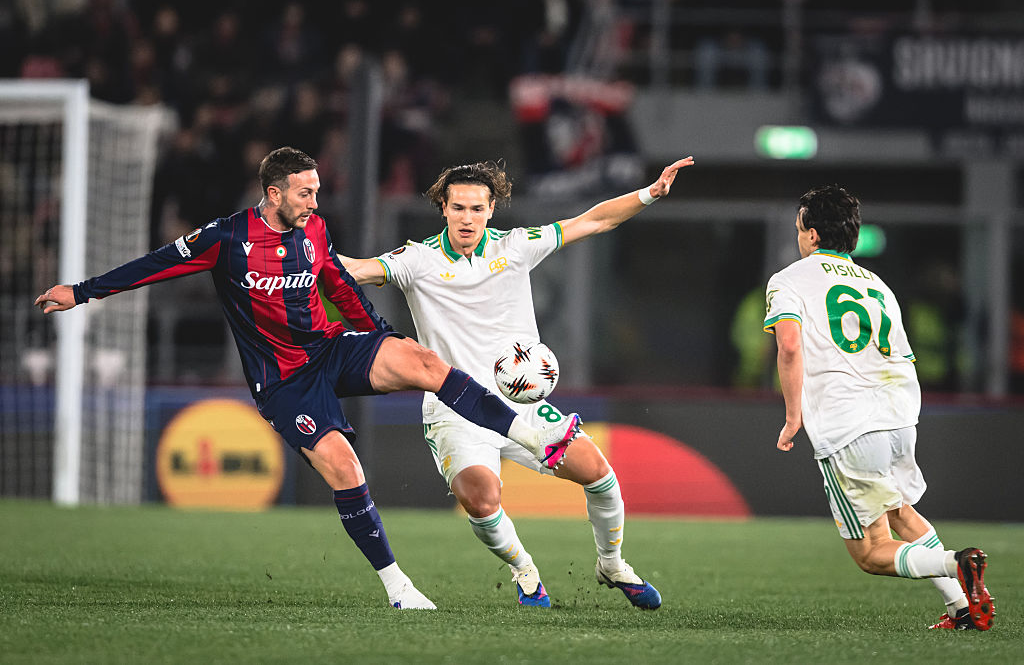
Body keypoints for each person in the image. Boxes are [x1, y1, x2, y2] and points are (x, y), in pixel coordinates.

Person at [34, 146, 582, 610]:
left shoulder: (314, 229)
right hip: (283, 381)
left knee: (424, 361)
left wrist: (382, 337)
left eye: (317, 192)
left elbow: (340, 287)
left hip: (329, 349)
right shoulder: (225, 239)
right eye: (305, 193)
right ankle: (398, 586)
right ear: (274, 194)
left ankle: (525, 432)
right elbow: (154, 265)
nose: (316, 202)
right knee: (345, 467)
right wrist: (81, 292)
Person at [339, 156, 694, 609]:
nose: (467, 218)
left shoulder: (516, 246)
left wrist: (650, 193)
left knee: (600, 476)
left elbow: (593, 221)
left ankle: (612, 563)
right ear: (443, 209)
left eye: (477, 208)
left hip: (521, 403)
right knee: (481, 499)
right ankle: (526, 572)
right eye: (458, 207)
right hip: (455, 407)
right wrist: (295, 250)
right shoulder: (417, 260)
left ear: (492, 210)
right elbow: (354, 270)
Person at [762, 183, 995, 631]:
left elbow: (788, 345)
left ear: (811, 236)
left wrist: (794, 416)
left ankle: (956, 563)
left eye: (798, 229)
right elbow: (903, 357)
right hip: (900, 414)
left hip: (849, 424)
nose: (798, 237)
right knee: (900, 510)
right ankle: (963, 608)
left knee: (871, 553)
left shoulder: (790, 279)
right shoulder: (879, 285)